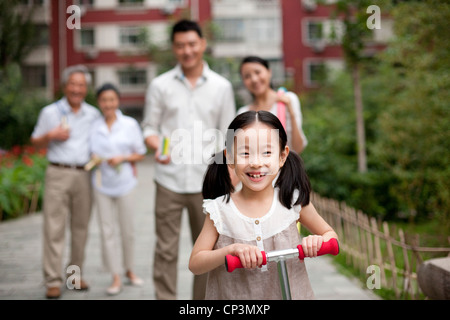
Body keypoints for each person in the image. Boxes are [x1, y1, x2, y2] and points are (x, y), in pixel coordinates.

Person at [189, 111, 338, 300]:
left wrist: (317, 241)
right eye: (245, 153)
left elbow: (331, 236)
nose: (256, 163)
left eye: (267, 152)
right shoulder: (220, 210)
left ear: (282, 156)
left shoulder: (291, 201)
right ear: (230, 158)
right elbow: (195, 262)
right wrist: (230, 250)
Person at [141, 19, 236, 300]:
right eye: (180, 45)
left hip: (208, 184)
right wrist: (158, 145)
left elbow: (229, 135)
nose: (187, 51)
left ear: (203, 44)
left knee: (207, 252)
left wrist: (230, 173)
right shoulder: (160, 85)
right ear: (174, 48)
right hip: (168, 180)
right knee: (165, 250)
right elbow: (149, 128)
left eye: (192, 44)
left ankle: (201, 304)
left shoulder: (221, 86)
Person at [30, 65, 101, 299]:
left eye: (81, 85)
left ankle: (73, 277)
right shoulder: (50, 112)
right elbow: (35, 141)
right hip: (58, 173)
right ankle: (52, 280)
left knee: (80, 228)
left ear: (86, 88)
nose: (77, 89)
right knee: (54, 228)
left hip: (84, 174)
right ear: (64, 86)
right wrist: (51, 135)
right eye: (73, 84)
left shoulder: (93, 114)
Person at [89, 83, 147, 295]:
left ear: (118, 101)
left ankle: (129, 270)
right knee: (107, 231)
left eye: (112, 99)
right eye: (104, 100)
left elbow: (140, 153)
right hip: (101, 184)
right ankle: (115, 275)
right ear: (99, 103)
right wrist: (94, 159)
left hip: (125, 184)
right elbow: (87, 153)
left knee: (127, 230)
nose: (108, 104)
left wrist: (122, 157)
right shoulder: (93, 126)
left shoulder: (130, 124)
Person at [237, 56, 308, 154]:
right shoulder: (243, 112)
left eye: (257, 72)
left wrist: (291, 112)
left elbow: (298, 148)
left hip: (285, 168)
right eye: (247, 76)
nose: (254, 79)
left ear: (269, 72)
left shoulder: (288, 100)